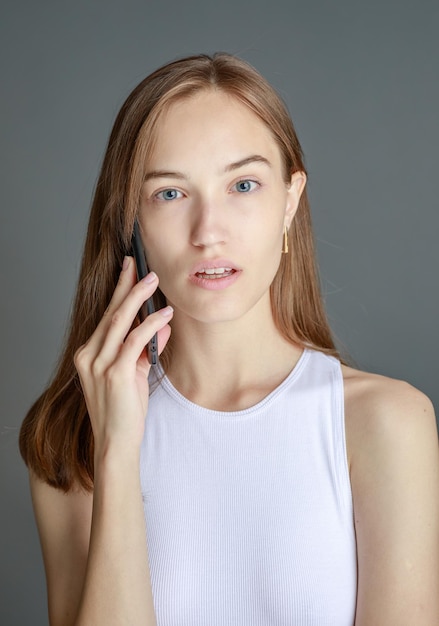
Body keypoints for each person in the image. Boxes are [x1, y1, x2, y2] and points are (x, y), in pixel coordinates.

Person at [20, 53, 439, 626]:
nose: (208, 232)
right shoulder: (73, 442)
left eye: (243, 185)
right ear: (130, 219)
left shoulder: (386, 423)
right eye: (170, 193)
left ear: (290, 201)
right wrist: (117, 451)